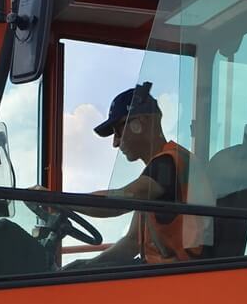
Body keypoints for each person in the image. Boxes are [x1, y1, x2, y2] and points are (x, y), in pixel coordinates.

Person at [76, 82, 202, 267]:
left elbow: (115, 204)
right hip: (165, 274)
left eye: (117, 131)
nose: (115, 143)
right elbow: (132, 242)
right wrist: (87, 265)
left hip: (176, 279)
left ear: (139, 123)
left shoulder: (167, 165)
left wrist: (57, 201)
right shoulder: (162, 167)